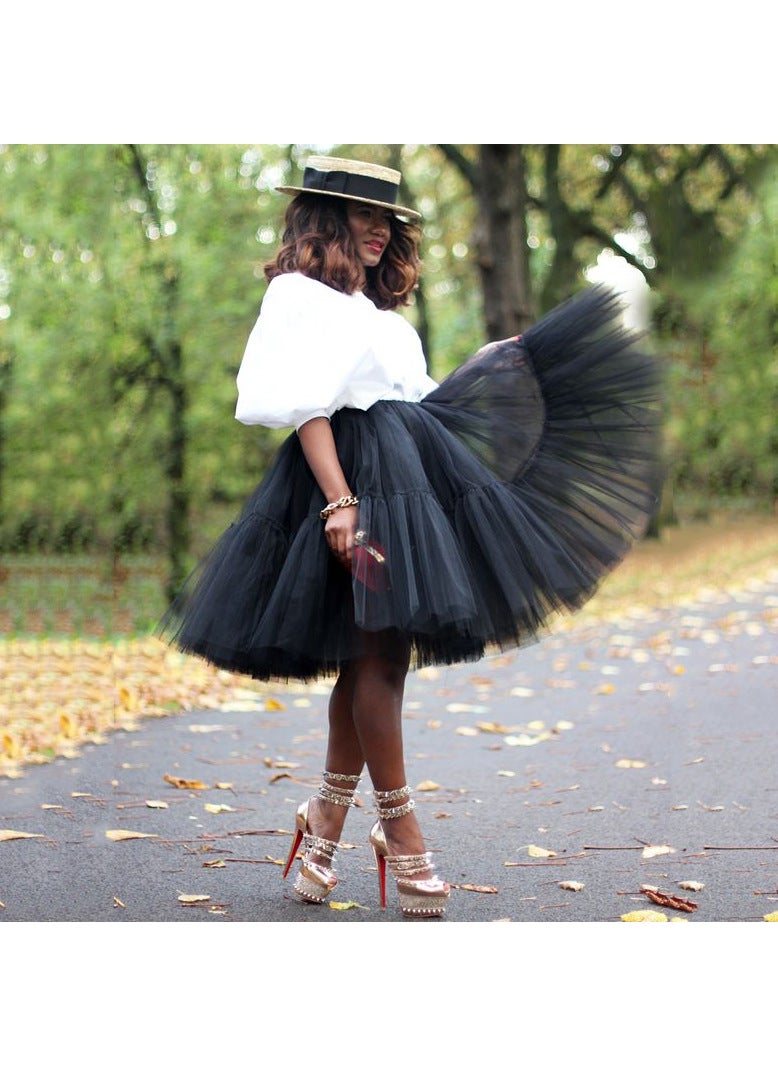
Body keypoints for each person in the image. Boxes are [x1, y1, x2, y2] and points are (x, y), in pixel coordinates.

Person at [159, 154, 662, 919]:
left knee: (373, 654)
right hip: (348, 486)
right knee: (381, 656)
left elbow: (414, 404)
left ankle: (323, 823)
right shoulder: (297, 295)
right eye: (362, 215)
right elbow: (307, 409)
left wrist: (490, 367)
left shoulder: (382, 318)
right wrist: (339, 503)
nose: (377, 230)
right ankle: (397, 823)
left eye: (386, 218)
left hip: (407, 482)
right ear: (324, 218)